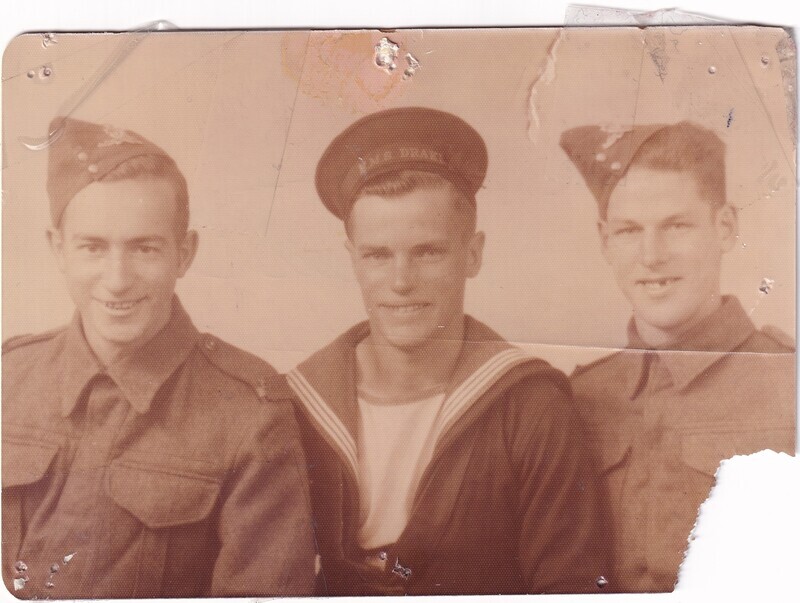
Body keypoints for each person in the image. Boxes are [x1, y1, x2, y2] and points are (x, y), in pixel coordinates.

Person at [270, 107, 608, 595]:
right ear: (352, 259)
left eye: (428, 252)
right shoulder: (295, 407)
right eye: (378, 254)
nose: (401, 282)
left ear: (473, 254)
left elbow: (572, 586)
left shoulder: (531, 407)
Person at [2, 118, 316, 598]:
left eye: (144, 248)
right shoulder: (9, 377)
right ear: (58, 249)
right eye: (92, 247)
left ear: (184, 254)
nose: (117, 278)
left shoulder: (249, 412)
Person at [560, 121, 796, 592]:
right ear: (605, 240)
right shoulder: (577, 398)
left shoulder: (788, 385)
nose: (652, 255)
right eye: (629, 230)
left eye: (676, 226)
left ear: (725, 227)